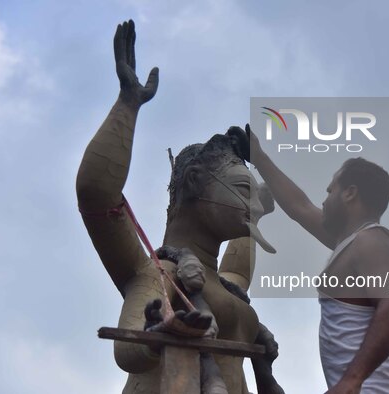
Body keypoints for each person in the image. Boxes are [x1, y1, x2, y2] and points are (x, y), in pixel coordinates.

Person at [76, 20, 282, 394]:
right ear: (191, 184)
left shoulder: (230, 286)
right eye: (239, 189)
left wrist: (261, 177)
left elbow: (240, 254)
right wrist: (128, 104)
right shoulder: (156, 273)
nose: (251, 204)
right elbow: (96, 194)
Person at [244, 125, 389, 393]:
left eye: (330, 191)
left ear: (349, 193)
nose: (323, 201)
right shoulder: (352, 244)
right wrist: (259, 157)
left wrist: (351, 380)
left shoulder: (372, 241)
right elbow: (299, 207)